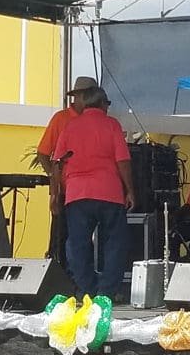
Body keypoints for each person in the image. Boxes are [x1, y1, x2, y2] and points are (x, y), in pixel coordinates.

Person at [51, 87, 135, 299]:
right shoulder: (111, 125)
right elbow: (123, 161)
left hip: (77, 194)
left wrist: (54, 194)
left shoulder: (70, 127)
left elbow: (57, 163)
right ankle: (106, 292)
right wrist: (130, 190)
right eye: (107, 103)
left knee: (77, 244)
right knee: (114, 243)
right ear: (102, 103)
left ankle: (87, 289)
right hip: (109, 192)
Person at [36, 75, 98, 263]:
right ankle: (60, 275)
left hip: (89, 189)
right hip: (65, 190)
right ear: (77, 97)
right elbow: (43, 152)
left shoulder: (97, 119)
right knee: (60, 236)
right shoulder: (61, 118)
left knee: (85, 237)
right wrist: (53, 179)